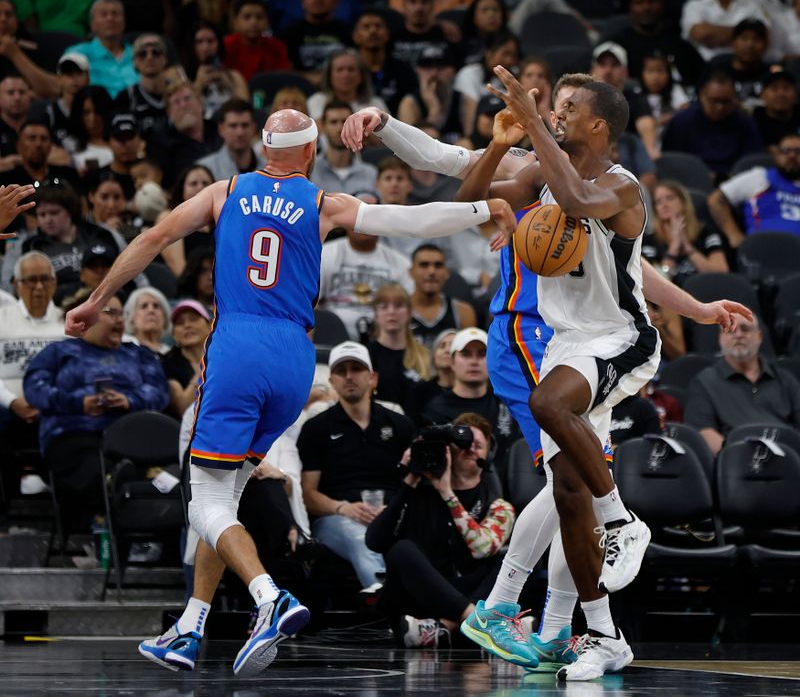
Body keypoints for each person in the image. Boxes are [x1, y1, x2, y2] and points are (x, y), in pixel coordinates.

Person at [62, 106, 515, 675]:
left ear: (261, 148)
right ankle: (189, 626)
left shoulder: (225, 191)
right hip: (297, 360)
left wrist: (96, 299)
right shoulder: (324, 204)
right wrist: (484, 207)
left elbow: (154, 236)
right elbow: (410, 222)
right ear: (309, 154)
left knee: (202, 499)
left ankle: (267, 597)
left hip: (239, 343)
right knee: (226, 497)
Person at [340, 76, 753, 680]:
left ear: (597, 127)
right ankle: (595, 632)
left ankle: (564, 576)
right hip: (559, 339)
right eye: (552, 106)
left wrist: (696, 310)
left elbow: (616, 248)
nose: (553, 114)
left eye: (566, 108)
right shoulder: (538, 171)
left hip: (614, 341)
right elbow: (463, 177)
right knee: (568, 487)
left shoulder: (618, 184)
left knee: (568, 464)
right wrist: (394, 124)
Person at [366, 412, 515, 648]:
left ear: (489, 455)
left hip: (467, 588)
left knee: (509, 560)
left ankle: (445, 628)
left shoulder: (499, 506)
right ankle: (475, 623)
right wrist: (409, 480)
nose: (470, 450)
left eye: (478, 446)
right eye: (463, 444)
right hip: (422, 593)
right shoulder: (417, 493)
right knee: (401, 550)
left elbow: (482, 549)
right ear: (448, 450)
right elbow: (374, 541)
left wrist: (447, 492)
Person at [25, 291, 169, 529]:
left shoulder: (139, 354)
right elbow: (34, 388)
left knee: (149, 467)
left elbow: (159, 391)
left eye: (121, 314)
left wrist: (129, 400)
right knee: (96, 469)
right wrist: (78, 403)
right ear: (86, 319)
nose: (119, 320)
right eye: (110, 313)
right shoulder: (58, 353)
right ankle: (103, 521)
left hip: (131, 437)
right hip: (75, 436)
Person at [299, 340, 412, 591]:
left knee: (417, 537)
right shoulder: (316, 428)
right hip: (336, 517)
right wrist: (344, 508)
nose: (349, 376)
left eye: (356, 368)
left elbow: (414, 482)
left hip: (392, 514)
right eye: (341, 370)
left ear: (373, 378)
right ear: (332, 381)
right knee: (362, 538)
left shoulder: (400, 425)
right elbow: (307, 493)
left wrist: (392, 510)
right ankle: (386, 605)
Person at [0, 252, 65, 505]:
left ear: (55, 283)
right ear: (16, 285)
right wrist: (12, 401)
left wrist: (50, 402)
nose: (39, 287)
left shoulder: (67, 322)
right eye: (30, 281)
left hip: (56, 411)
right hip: (8, 410)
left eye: (45, 280)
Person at [685, 314, 800, 455]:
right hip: (737, 466)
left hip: (789, 460)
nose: (738, 335)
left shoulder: (785, 380)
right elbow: (703, 432)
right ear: (720, 338)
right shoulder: (704, 382)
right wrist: (741, 458)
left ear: (759, 336)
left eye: (745, 329)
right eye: (731, 330)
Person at [423, 326, 520, 480]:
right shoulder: (435, 409)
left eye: (482, 354)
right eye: (466, 354)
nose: (474, 361)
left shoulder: (507, 404)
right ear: (452, 362)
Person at [661, 69, 763, 183]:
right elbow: (672, 161)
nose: (720, 107)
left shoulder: (745, 123)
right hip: (691, 182)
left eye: (725, 102)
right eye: (714, 101)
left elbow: (752, 162)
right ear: (702, 95)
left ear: (735, 98)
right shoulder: (682, 121)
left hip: (735, 182)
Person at [708, 133, 800, 248]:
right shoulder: (759, 177)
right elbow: (716, 199)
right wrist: (734, 235)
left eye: (798, 151)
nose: (792, 156)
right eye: (786, 151)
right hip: (763, 249)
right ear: (776, 155)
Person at [607, 0, 705, 86]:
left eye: (651, 1)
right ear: (630, 8)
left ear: (662, 5)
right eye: (639, 3)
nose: (646, 8)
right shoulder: (616, 46)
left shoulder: (680, 46)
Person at [644, 180, 728, 286]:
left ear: (683, 202)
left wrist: (687, 247)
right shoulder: (650, 240)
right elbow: (653, 284)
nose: (664, 205)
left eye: (670, 198)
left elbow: (721, 272)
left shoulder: (705, 232)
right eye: (658, 202)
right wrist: (674, 248)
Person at [367, 283, 431, 416]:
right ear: (375, 314)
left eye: (399, 305)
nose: (391, 312)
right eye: (383, 306)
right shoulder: (366, 354)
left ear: (409, 312)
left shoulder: (424, 355)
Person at [146, 81, 221, 188]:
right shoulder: (161, 145)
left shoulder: (220, 130)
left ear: (200, 103)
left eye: (187, 98)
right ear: (169, 112)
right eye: (176, 102)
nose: (183, 105)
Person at [63, 0, 138, 99]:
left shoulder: (140, 54)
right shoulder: (77, 54)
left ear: (124, 22)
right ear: (92, 24)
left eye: (115, 14)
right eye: (104, 14)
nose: (110, 18)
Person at [281, 0, 351, 86]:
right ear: (303, 1)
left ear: (336, 1)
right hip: (300, 86)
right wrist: (307, 77)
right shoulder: (289, 33)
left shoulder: (348, 31)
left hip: (340, 85)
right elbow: (285, 68)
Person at [408, 243, 476, 349]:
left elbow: (470, 356)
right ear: (411, 272)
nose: (432, 271)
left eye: (438, 265)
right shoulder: (396, 312)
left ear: (447, 273)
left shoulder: (463, 312)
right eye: (424, 265)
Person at [352, 11, 418, 118]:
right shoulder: (350, 70)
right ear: (356, 37)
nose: (373, 31)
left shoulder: (403, 69)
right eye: (366, 27)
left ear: (387, 35)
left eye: (378, 26)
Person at [155, 165, 216, 277]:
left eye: (205, 183)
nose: (200, 187)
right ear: (182, 191)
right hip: (187, 287)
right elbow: (178, 267)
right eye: (193, 183)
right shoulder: (168, 216)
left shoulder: (221, 220)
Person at [681, 0, 766, 61]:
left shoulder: (752, 5)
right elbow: (701, 34)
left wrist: (712, 32)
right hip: (705, 66)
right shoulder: (694, 5)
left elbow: (765, 35)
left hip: (746, 65)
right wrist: (745, 32)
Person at [186, 20, 250, 122]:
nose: (205, 47)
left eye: (210, 41)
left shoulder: (234, 76)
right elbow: (184, 111)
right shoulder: (183, 76)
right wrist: (198, 84)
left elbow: (246, 109)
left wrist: (228, 83)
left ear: (219, 44)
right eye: (199, 42)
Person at [309, 101, 378, 195]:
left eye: (345, 122)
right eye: (333, 122)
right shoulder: (310, 171)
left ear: (355, 125)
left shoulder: (371, 173)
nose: (340, 128)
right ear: (323, 126)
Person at [161, 299, 212, 417]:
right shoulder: (167, 364)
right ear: (173, 334)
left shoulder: (225, 357)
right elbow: (183, 409)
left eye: (193, 319)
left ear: (210, 325)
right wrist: (203, 370)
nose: (187, 325)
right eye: (179, 322)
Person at [307, 48, 389, 121]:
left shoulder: (376, 104)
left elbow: (388, 134)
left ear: (361, 76)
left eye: (351, 69)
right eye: (340, 70)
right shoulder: (317, 101)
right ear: (329, 76)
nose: (345, 74)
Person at [223, 0, 290, 81]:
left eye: (259, 17)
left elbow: (282, 78)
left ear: (267, 22)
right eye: (247, 17)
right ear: (235, 23)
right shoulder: (226, 46)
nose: (254, 22)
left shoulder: (277, 47)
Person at [197, 99, 266, 180]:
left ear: (254, 128)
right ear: (221, 129)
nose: (240, 132)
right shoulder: (203, 171)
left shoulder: (268, 169)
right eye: (233, 126)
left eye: (245, 125)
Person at [707, 17, 770, 106]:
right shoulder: (716, 70)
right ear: (733, 42)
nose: (750, 45)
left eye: (757, 39)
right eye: (744, 38)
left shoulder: (771, 75)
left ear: (766, 45)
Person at [117, 34, 169, 139]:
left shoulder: (179, 93)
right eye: (142, 54)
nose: (149, 57)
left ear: (165, 59)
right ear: (134, 62)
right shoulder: (125, 98)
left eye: (156, 52)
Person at [752, 68, 800, 153]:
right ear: (763, 95)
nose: (781, 94)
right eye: (774, 88)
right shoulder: (753, 121)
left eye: (786, 88)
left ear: (796, 95)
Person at [122, 286, 171, 355]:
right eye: (144, 306)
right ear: (131, 317)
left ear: (164, 317)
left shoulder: (171, 354)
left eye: (156, 306)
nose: (151, 310)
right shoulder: (123, 345)